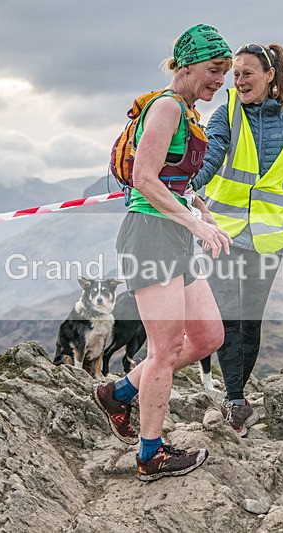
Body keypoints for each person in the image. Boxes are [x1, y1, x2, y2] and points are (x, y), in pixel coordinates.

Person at [91, 24, 233, 481]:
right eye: (215, 70)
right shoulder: (168, 107)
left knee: (208, 337)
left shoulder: (186, 111)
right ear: (187, 65)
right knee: (167, 349)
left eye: (225, 73)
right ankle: (150, 454)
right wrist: (193, 222)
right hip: (150, 235)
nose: (220, 81)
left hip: (173, 234)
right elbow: (145, 179)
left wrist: (201, 213)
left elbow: (176, 181)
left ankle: (120, 391)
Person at [192, 43, 283, 436]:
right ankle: (235, 399)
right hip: (222, 234)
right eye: (236, 74)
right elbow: (209, 158)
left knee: (250, 320)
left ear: (269, 76)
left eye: (247, 73)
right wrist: (179, 187)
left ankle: (238, 392)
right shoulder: (226, 111)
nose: (239, 81)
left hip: (268, 241)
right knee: (226, 316)